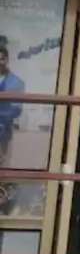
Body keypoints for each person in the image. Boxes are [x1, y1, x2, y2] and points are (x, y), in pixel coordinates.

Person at [0, 40, 26, 169]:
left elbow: (17, 109)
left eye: (2, 59)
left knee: (2, 168)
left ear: (7, 60)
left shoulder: (17, 82)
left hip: (3, 133)